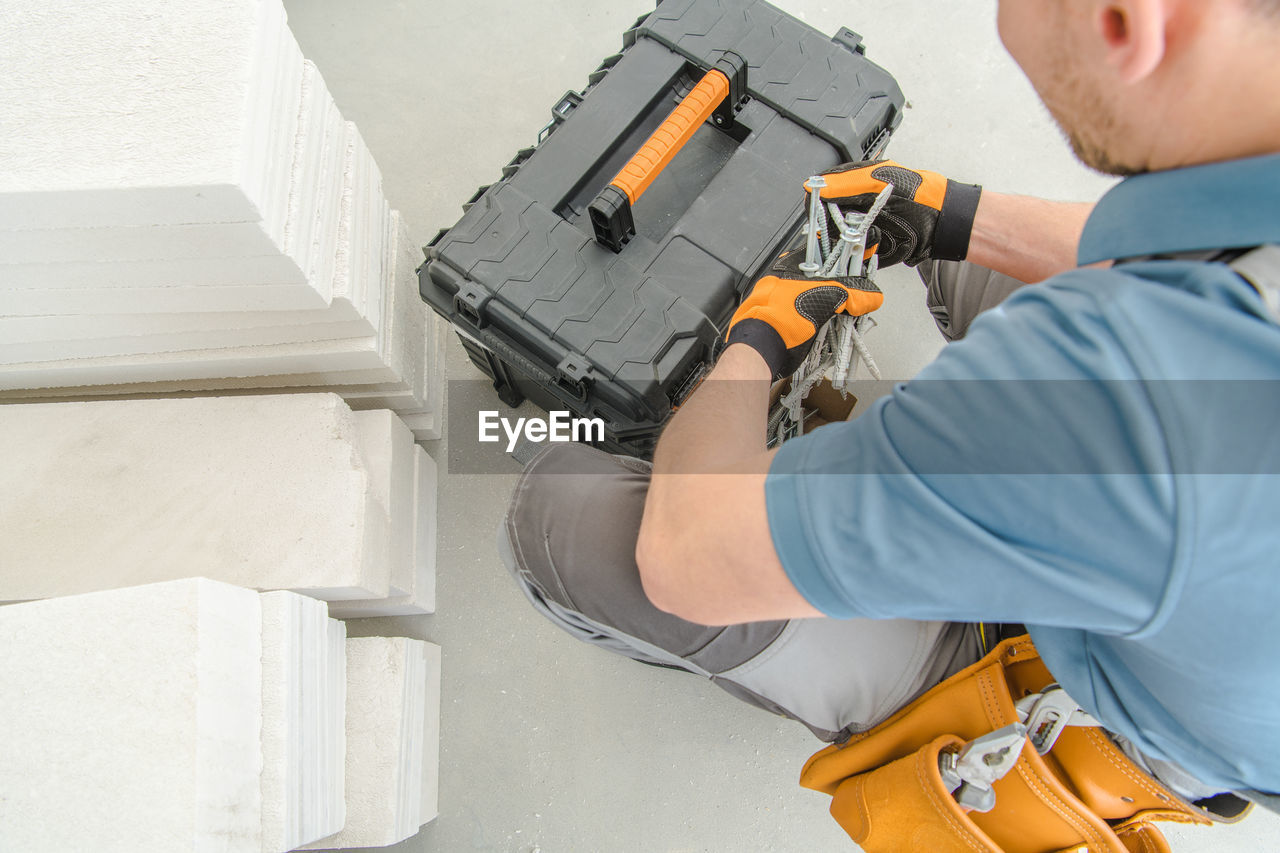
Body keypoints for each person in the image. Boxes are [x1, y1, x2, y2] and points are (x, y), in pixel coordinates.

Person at [499, 0, 1280, 844]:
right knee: (968, 259)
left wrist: (753, 345)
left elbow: (689, 557)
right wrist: (949, 212)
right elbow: (1189, 255)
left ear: (1128, 21)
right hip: (1207, 607)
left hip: (1093, 692)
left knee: (568, 516)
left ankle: (821, 665)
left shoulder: (1103, 397)